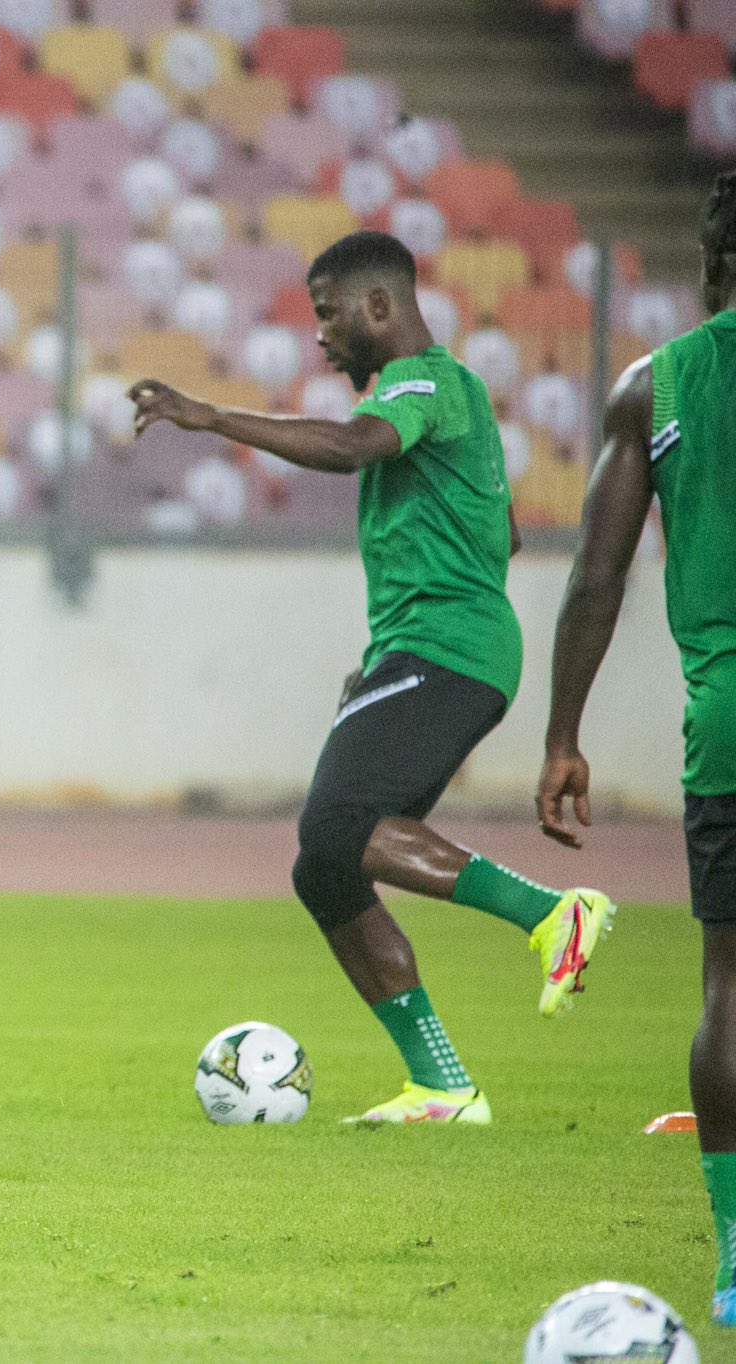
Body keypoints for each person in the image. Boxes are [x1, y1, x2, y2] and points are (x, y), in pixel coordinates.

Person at [130, 229, 612, 1124]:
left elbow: (356, 446)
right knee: (326, 868)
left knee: (340, 824)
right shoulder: (456, 401)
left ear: (379, 307)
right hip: (431, 647)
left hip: (447, 647)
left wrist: (214, 417)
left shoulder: (421, 381)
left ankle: (554, 915)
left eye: (328, 314)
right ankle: (440, 1083)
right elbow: (499, 534)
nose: (320, 336)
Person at [540, 172, 736, 1323]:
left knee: (726, 982)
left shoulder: (652, 385)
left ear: (708, 263)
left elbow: (596, 574)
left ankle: (732, 1257)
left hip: (725, 718)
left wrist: (563, 735)